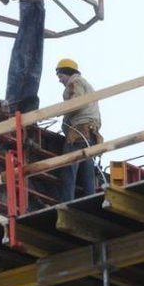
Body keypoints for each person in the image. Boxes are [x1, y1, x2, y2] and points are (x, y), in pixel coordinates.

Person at [56, 58, 102, 201]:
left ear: (68, 73)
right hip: (90, 133)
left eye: (60, 76)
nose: (60, 80)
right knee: (87, 171)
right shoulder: (87, 85)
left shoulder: (75, 82)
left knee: (69, 168)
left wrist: (59, 111)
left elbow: (77, 103)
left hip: (79, 132)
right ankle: (90, 201)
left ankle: (66, 203)